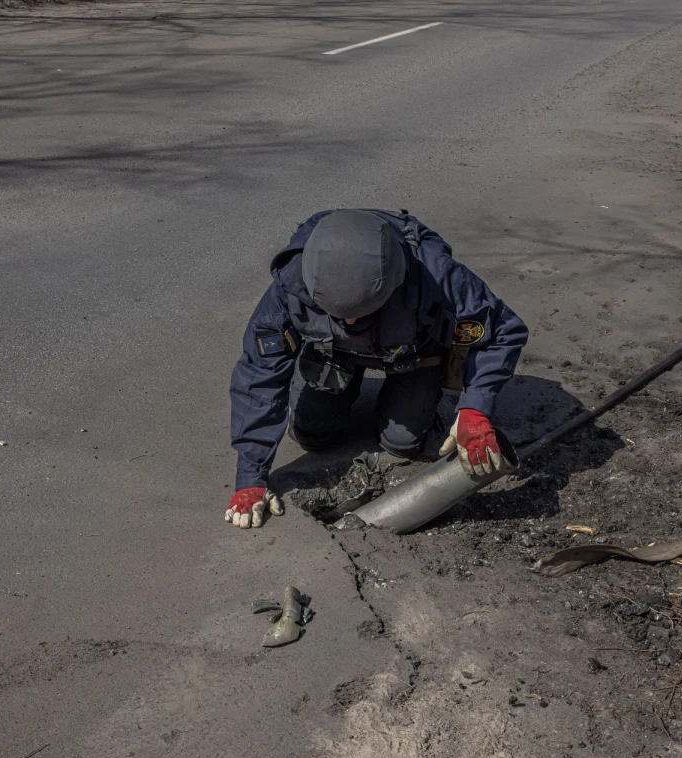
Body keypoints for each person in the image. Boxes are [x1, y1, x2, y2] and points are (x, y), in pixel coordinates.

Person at [225, 209, 529, 529]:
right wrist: (250, 477)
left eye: (364, 309)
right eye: (343, 314)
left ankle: (424, 405)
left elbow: (502, 332)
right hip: (333, 354)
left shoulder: (435, 276)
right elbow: (259, 372)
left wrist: (475, 408)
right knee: (311, 434)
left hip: (413, 356)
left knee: (403, 443)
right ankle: (343, 389)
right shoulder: (293, 281)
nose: (353, 320)